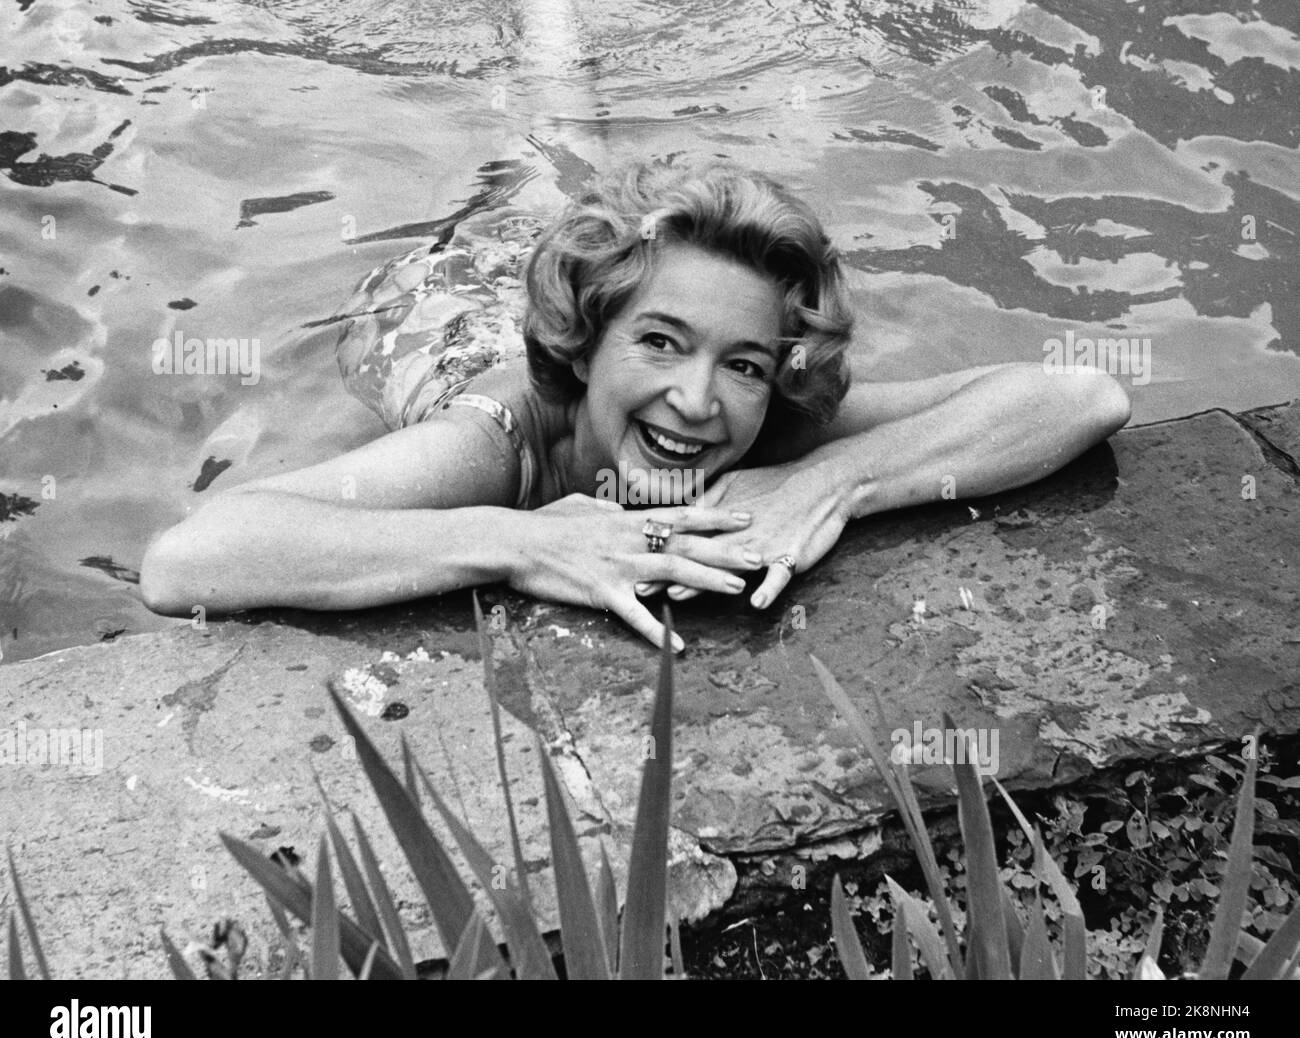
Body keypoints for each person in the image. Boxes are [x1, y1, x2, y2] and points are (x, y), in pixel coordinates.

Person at [140, 158, 1130, 653]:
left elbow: (1082, 393)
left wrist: (833, 479)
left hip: (579, 277)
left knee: (561, 166)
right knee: (517, 186)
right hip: (429, 315)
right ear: (586, 345)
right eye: (660, 344)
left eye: (743, 364)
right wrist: (522, 541)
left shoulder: (765, 417)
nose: (697, 401)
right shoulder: (495, 444)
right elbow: (188, 556)